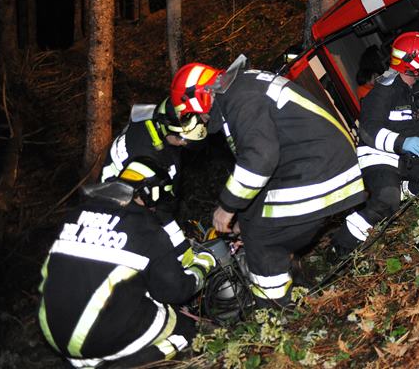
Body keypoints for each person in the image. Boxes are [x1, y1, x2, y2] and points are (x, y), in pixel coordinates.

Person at [170, 58, 366, 308]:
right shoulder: (242, 88)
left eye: (195, 114)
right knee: (256, 224)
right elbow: (264, 172)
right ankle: (296, 285)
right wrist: (244, 216)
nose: (202, 120)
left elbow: (259, 160)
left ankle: (277, 311)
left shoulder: (240, 100)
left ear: (199, 98)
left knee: (264, 239)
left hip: (319, 171)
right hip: (317, 166)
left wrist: (227, 206)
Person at [38, 158, 215, 368]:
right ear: (152, 193)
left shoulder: (74, 215)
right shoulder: (144, 227)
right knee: (185, 329)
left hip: (51, 329)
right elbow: (175, 291)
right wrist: (203, 265)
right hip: (96, 336)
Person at [330, 32, 419, 255]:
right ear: (411, 63)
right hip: (379, 156)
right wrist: (402, 142)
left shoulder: (417, 89)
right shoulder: (383, 92)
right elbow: (368, 130)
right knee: (386, 200)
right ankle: (340, 246)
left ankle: (405, 188)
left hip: (408, 157)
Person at [100, 97, 207, 262]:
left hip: (123, 192)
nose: (184, 144)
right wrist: (184, 252)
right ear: (169, 129)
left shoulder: (149, 117)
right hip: (121, 211)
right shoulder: (150, 160)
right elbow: (161, 212)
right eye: (183, 139)